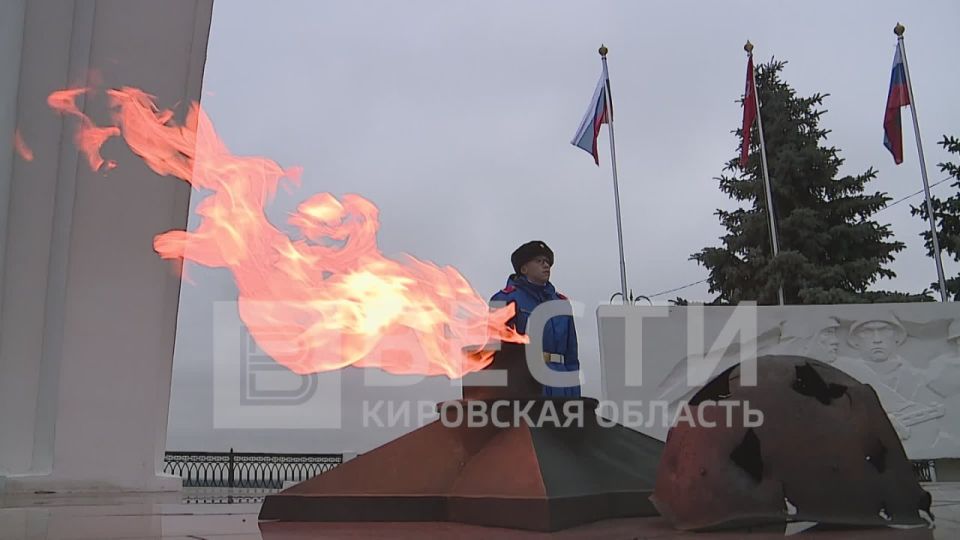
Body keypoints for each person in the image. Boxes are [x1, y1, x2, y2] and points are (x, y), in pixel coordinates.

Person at [490, 240, 581, 397]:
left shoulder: (561, 303)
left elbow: (571, 355)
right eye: (539, 261)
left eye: (547, 262)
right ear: (523, 268)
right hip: (526, 383)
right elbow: (499, 355)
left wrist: (574, 393)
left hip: (560, 384)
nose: (546, 265)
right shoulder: (505, 299)